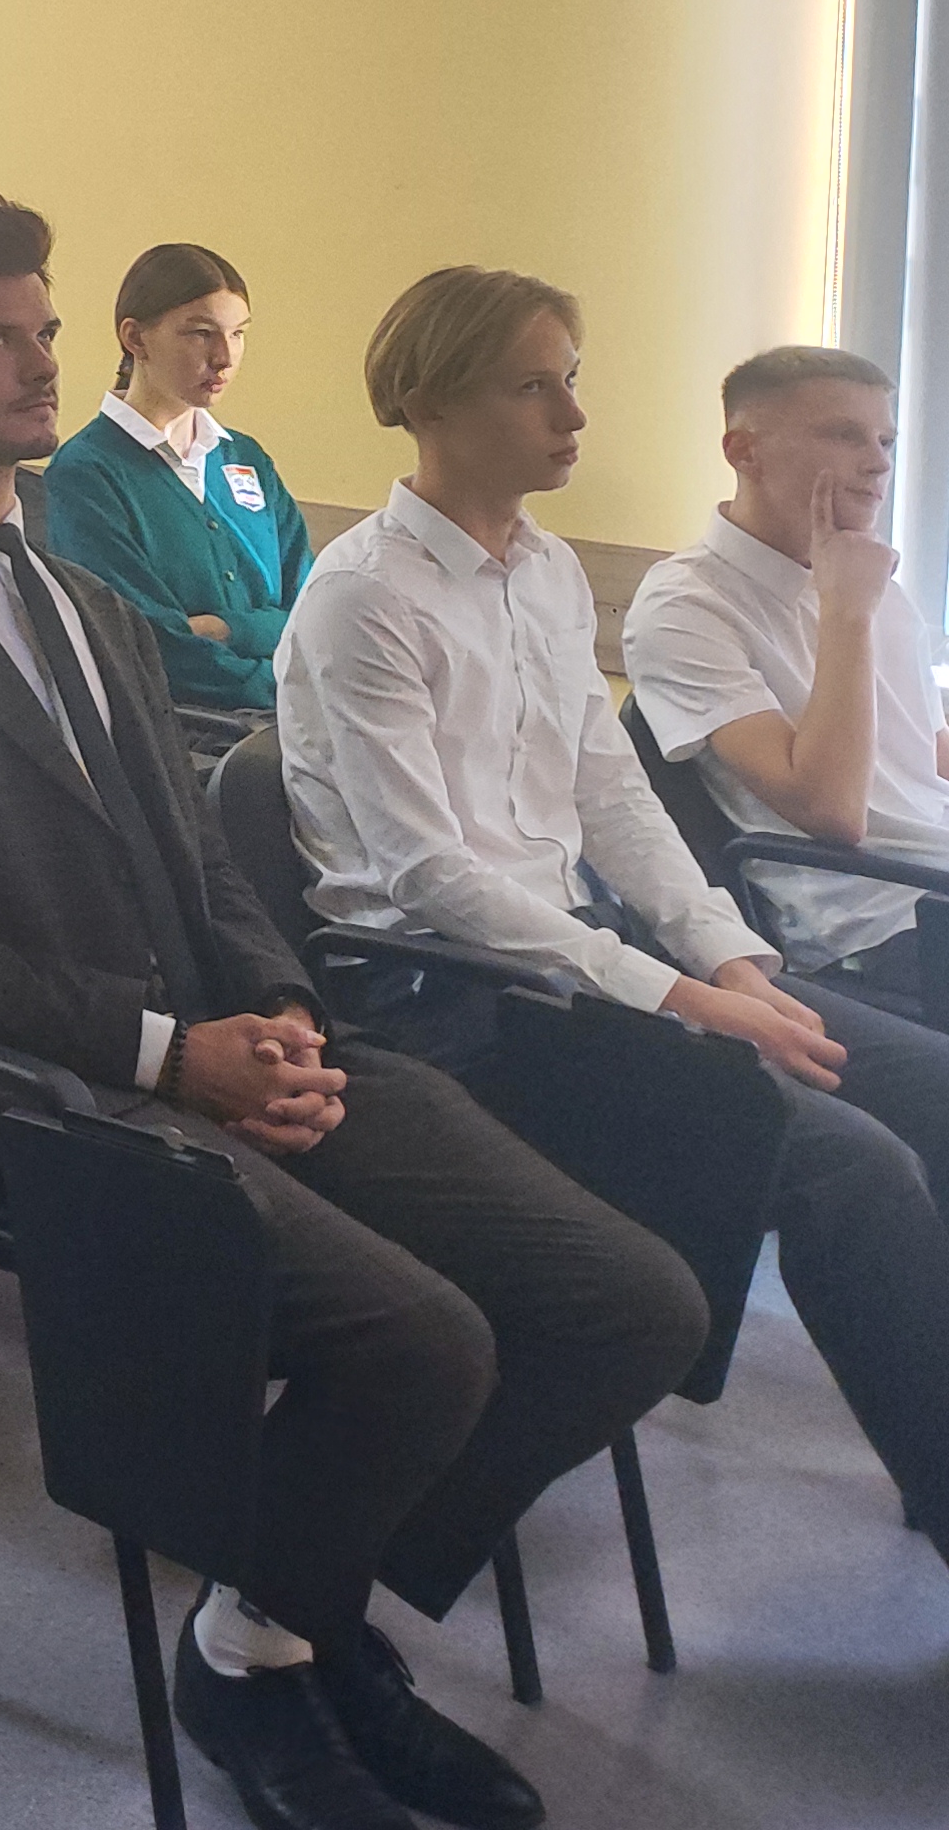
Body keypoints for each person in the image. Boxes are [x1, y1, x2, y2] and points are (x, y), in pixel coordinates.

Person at [0, 194, 702, 1830]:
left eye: (47, 333)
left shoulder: (89, 605)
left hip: (221, 1051)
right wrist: (161, 1053)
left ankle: (278, 1621)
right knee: (426, 1342)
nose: (40, 365)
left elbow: (206, 859)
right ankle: (284, 1646)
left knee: (637, 1302)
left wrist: (275, 1007)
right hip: (44, 1097)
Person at [282, 271, 949, 1568]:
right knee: (846, 1167)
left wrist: (730, 958)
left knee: (920, 1082)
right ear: (430, 402)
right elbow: (428, 877)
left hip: (577, 964)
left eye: (572, 379)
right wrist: (679, 997)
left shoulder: (540, 574)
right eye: (533, 386)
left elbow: (614, 801)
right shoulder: (365, 594)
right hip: (441, 997)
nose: (574, 415)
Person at [625, 345, 949, 998]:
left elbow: (927, 755)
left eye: (885, 440)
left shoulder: (873, 585)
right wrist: (846, 616)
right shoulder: (686, 604)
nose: (878, 463)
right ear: (745, 451)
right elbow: (832, 812)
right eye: (844, 435)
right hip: (883, 920)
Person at [44, 242, 313, 717]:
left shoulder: (247, 459)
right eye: (200, 334)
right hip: (190, 733)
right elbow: (147, 645)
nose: (224, 357)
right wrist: (282, 683)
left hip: (289, 719)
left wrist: (225, 629)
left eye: (238, 333)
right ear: (136, 338)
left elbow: (312, 610)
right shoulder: (87, 473)